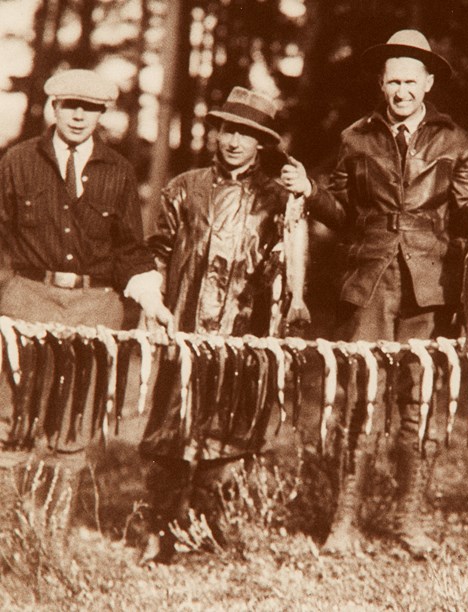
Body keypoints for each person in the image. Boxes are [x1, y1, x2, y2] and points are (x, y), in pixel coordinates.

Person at [281, 30, 468, 558]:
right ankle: (343, 523)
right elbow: (341, 215)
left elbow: (464, 214)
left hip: (429, 287)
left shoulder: (456, 141)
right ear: (382, 84)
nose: (402, 90)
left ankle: (408, 521)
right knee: (362, 398)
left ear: (429, 83)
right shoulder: (355, 138)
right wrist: (311, 193)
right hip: (368, 281)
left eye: (411, 80)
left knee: (419, 401)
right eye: (393, 81)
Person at [134, 86, 292, 564]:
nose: (234, 141)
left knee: (228, 434)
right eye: (228, 129)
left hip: (243, 333)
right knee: (169, 433)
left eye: (246, 133)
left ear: (261, 143)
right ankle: (158, 532)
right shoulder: (183, 187)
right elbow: (158, 251)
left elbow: (285, 270)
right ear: (216, 133)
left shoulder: (277, 197)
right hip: (182, 328)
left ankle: (210, 532)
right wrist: (155, 309)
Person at [0, 68, 172, 451]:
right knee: (9, 423)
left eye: (90, 108)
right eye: (70, 106)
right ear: (54, 108)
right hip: (27, 299)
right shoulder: (17, 161)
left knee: (73, 426)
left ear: (102, 114)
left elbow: (129, 248)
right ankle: (13, 512)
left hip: (96, 309)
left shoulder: (119, 171)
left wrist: (152, 300)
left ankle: (55, 510)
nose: (79, 117)